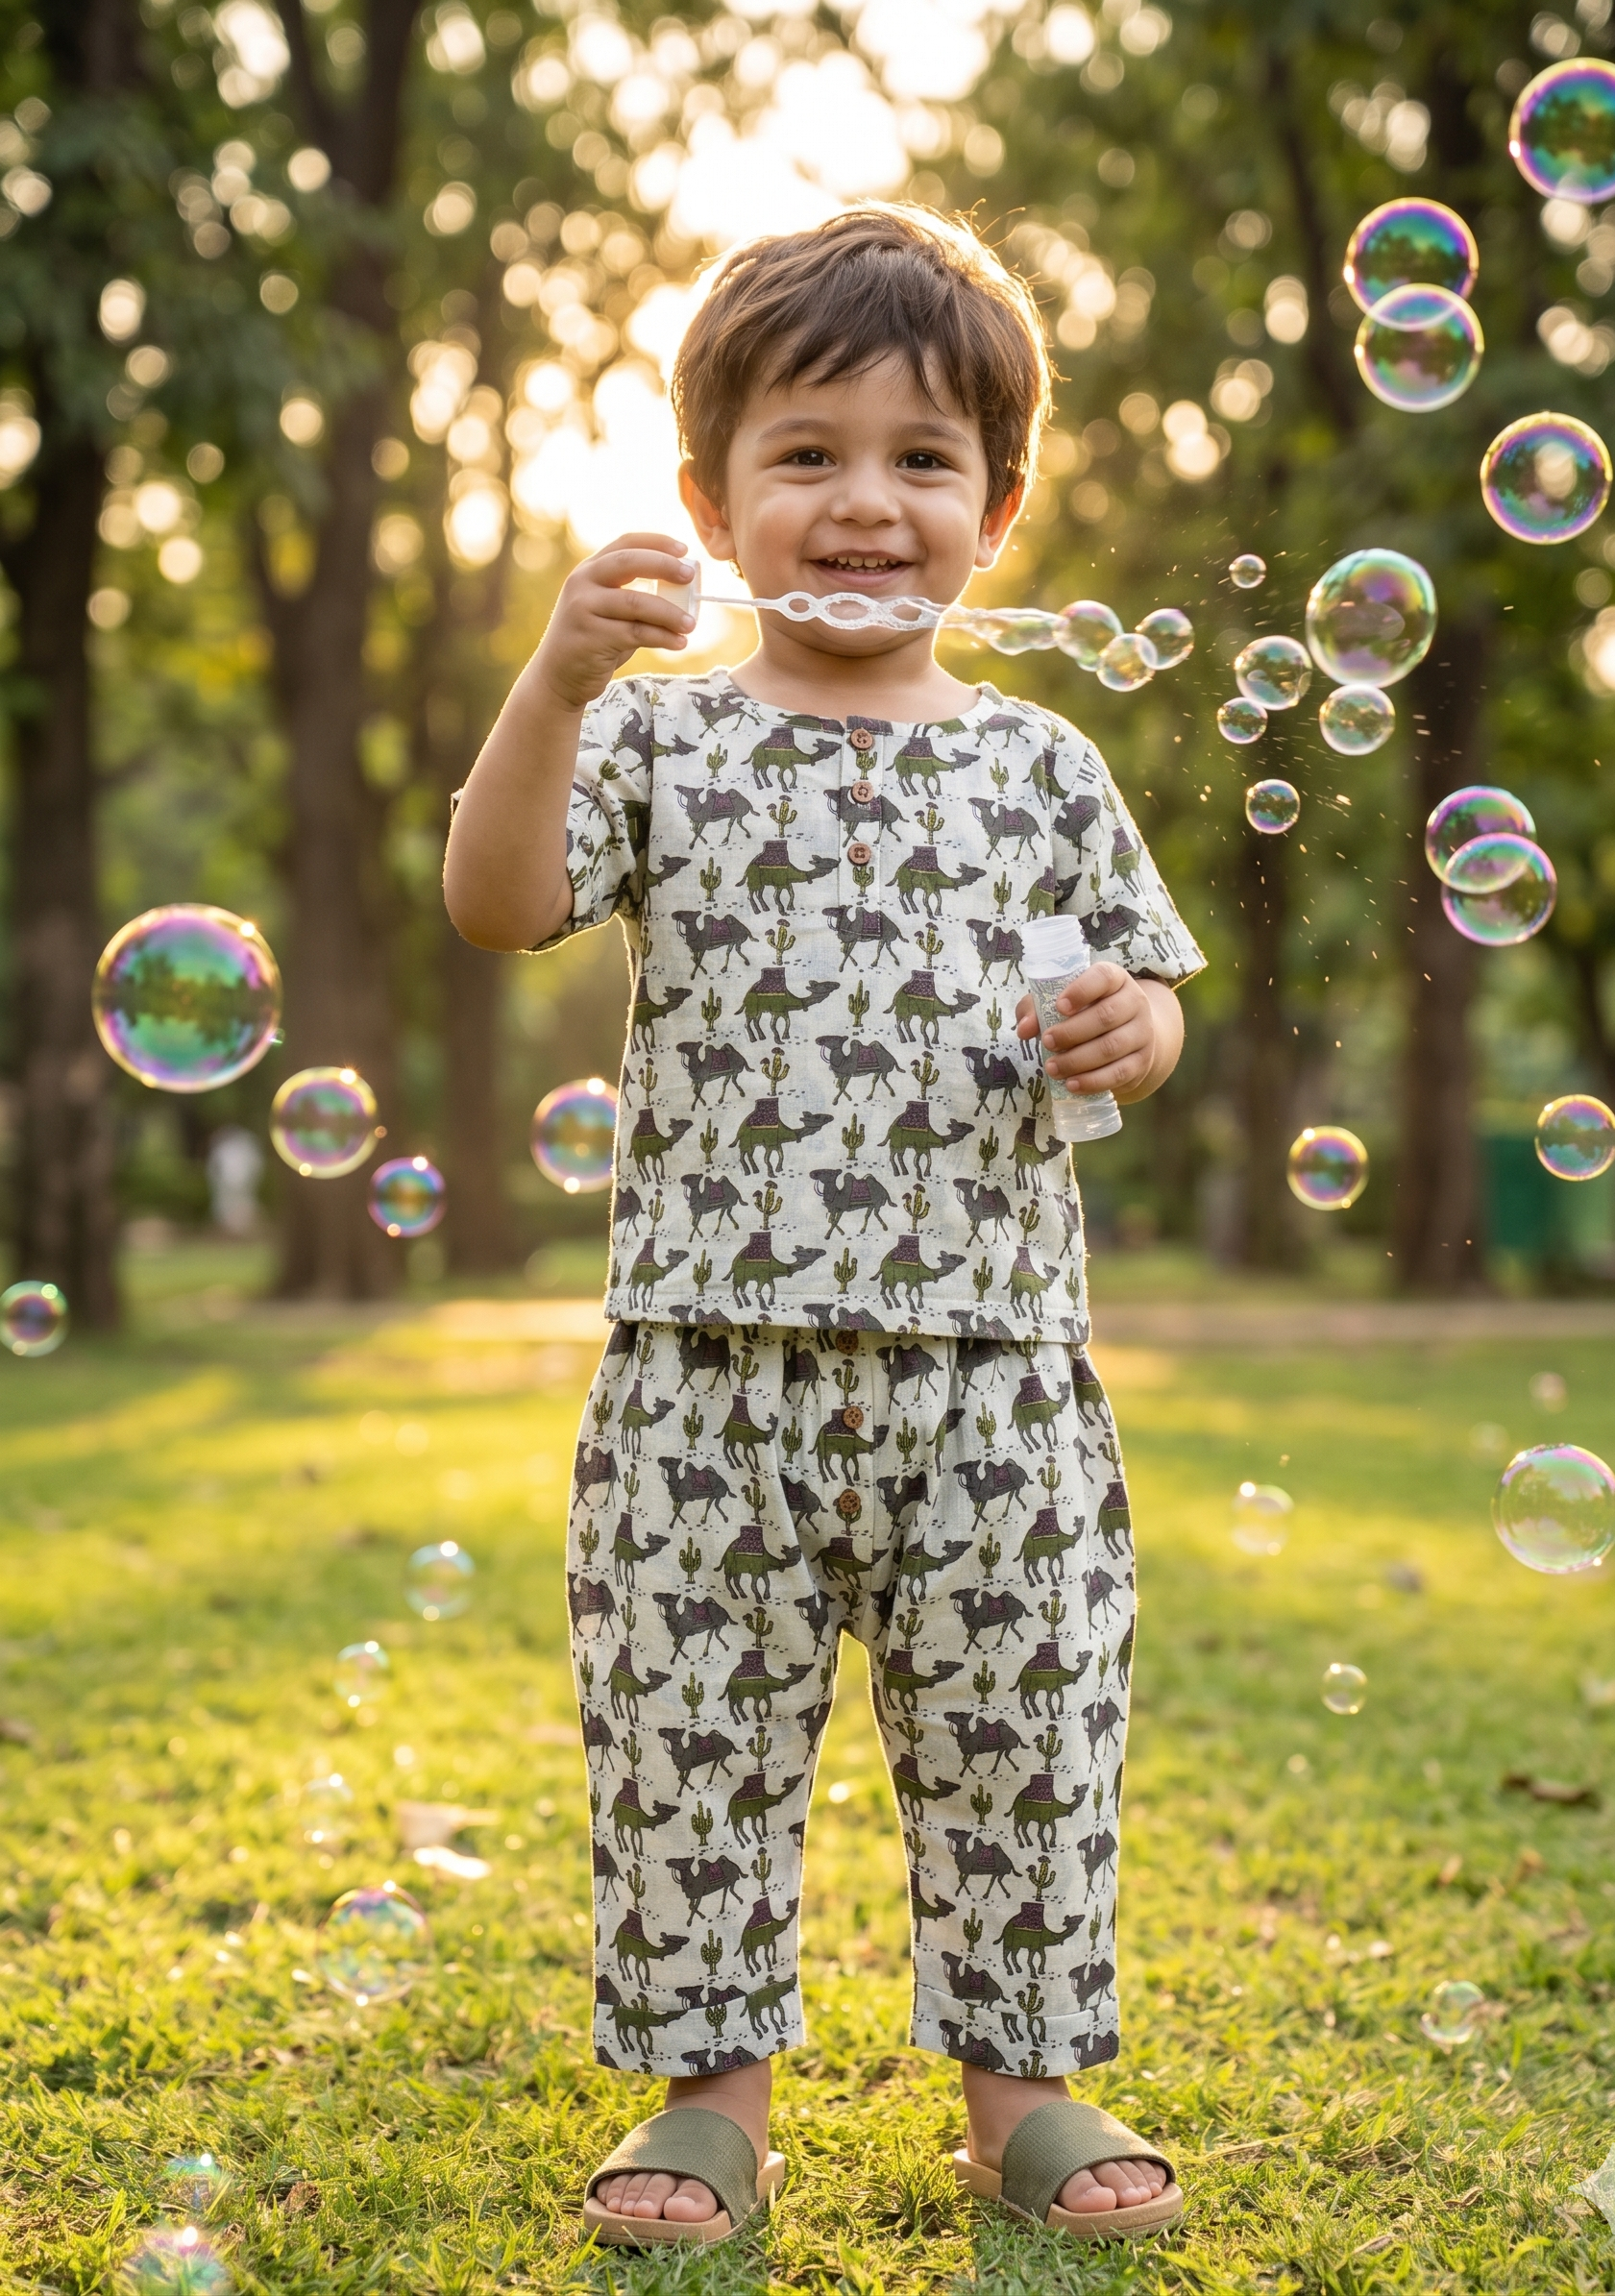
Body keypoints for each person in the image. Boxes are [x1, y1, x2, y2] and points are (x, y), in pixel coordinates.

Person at [444, 205, 1205, 2251]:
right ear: (710, 500)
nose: (864, 501)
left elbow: (1145, 1005)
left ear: (998, 509)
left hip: (997, 1374)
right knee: (686, 1740)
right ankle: (711, 2102)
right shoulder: (656, 733)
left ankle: (1020, 2092)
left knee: (1023, 1734)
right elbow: (499, 902)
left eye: (921, 458)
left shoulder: (1043, 762)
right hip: (705, 1369)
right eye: (806, 453)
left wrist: (1135, 1028)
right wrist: (555, 673)